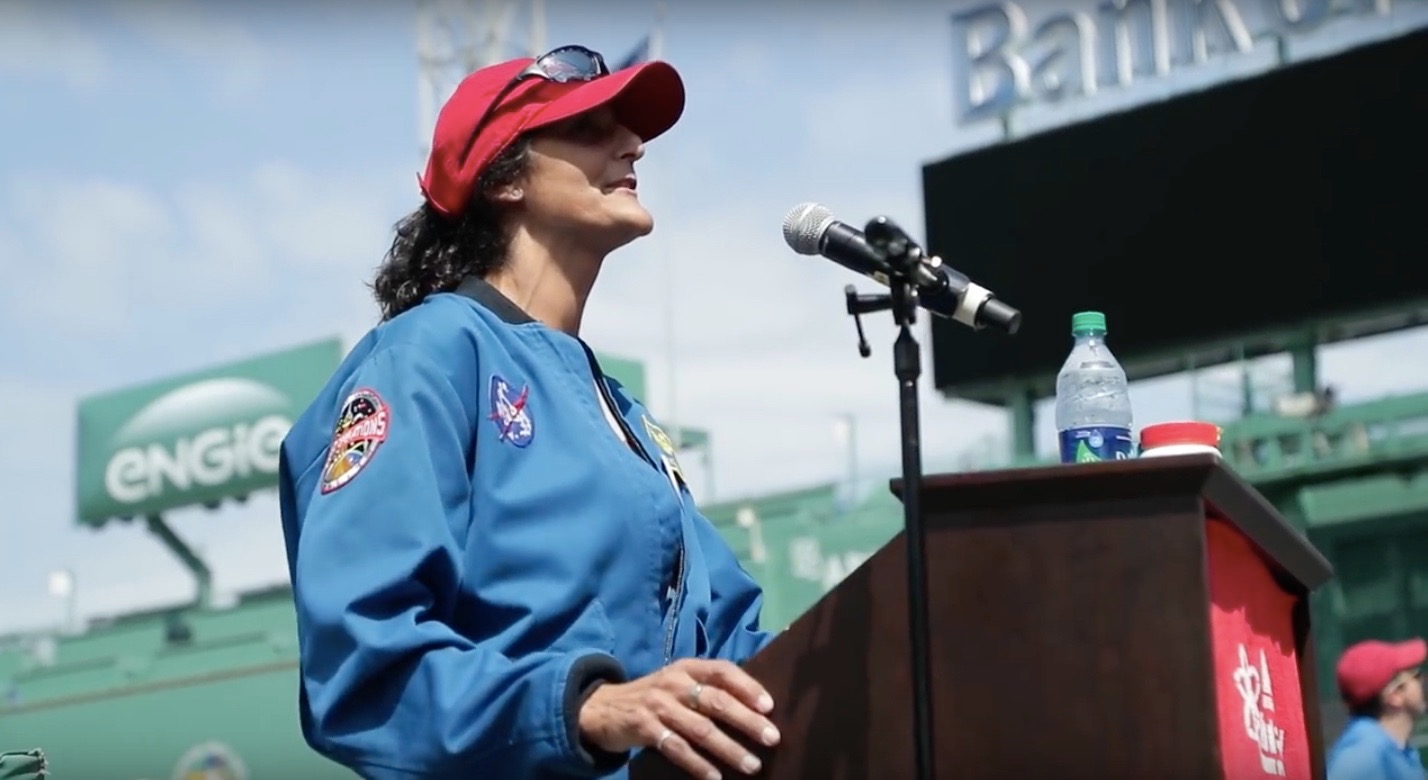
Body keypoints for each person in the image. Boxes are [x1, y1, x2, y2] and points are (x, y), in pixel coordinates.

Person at [277, 46, 780, 780]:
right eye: (589, 127)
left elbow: (732, 640)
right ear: (504, 177)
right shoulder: (426, 354)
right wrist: (581, 708)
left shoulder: (628, 419)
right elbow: (363, 668)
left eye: (628, 129)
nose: (632, 144)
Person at [1326, 637, 1427, 780]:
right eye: (1415, 675)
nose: (1422, 680)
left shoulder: (1397, 748)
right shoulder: (1360, 757)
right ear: (1395, 696)